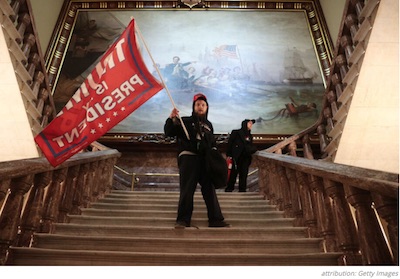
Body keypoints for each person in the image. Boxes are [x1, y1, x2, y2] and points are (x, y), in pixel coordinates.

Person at [164, 93, 230, 228]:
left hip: (205, 160)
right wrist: (171, 119)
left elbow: (212, 144)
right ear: (194, 107)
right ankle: (183, 220)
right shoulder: (185, 121)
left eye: (203, 105)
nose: (200, 107)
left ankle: (215, 219)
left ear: (207, 108)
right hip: (189, 158)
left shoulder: (209, 125)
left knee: (209, 190)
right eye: (198, 104)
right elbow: (169, 132)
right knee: (187, 189)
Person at [225, 119, 257, 192]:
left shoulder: (250, 136)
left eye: (251, 124)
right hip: (236, 157)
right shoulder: (236, 132)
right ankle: (229, 189)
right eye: (249, 123)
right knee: (233, 174)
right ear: (245, 124)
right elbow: (230, 144)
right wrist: (229, 155)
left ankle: (242, 190)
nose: (251, 125)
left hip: (245, 157)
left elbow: (250, 146)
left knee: (244, 174)